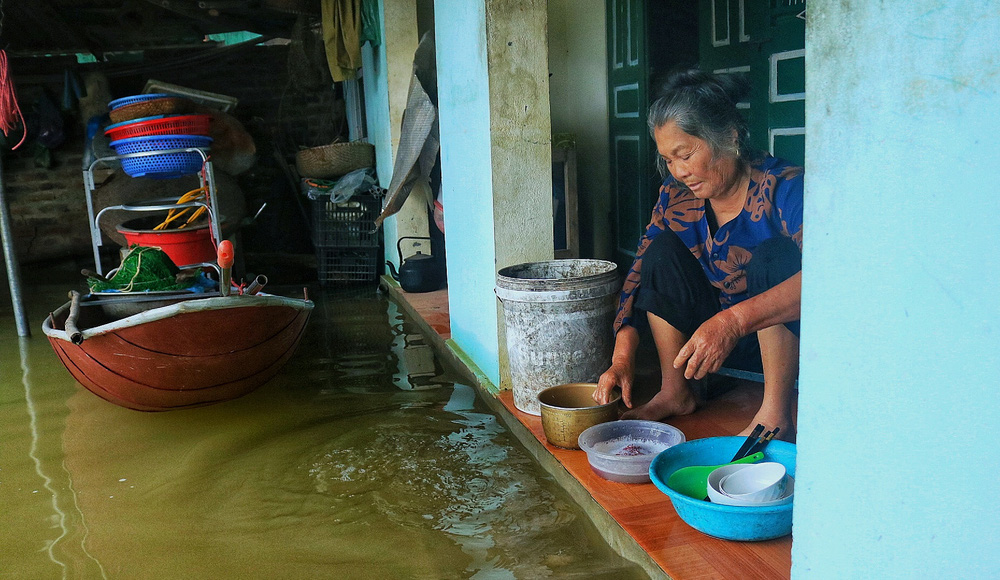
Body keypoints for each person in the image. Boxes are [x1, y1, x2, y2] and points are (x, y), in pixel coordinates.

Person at [592, 69, 803, 440]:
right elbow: (641, 271)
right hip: (708, 347)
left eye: (685, 154)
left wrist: (733, 322)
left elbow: (834, 276)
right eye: (668, 160)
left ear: (730, 138)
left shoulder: (785, 187)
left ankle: (776, 413)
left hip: (786, 339)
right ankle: (676, 392)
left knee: (773, 257)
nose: (679, 171)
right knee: (660, 252)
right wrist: (622, 358)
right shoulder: (675, 196)